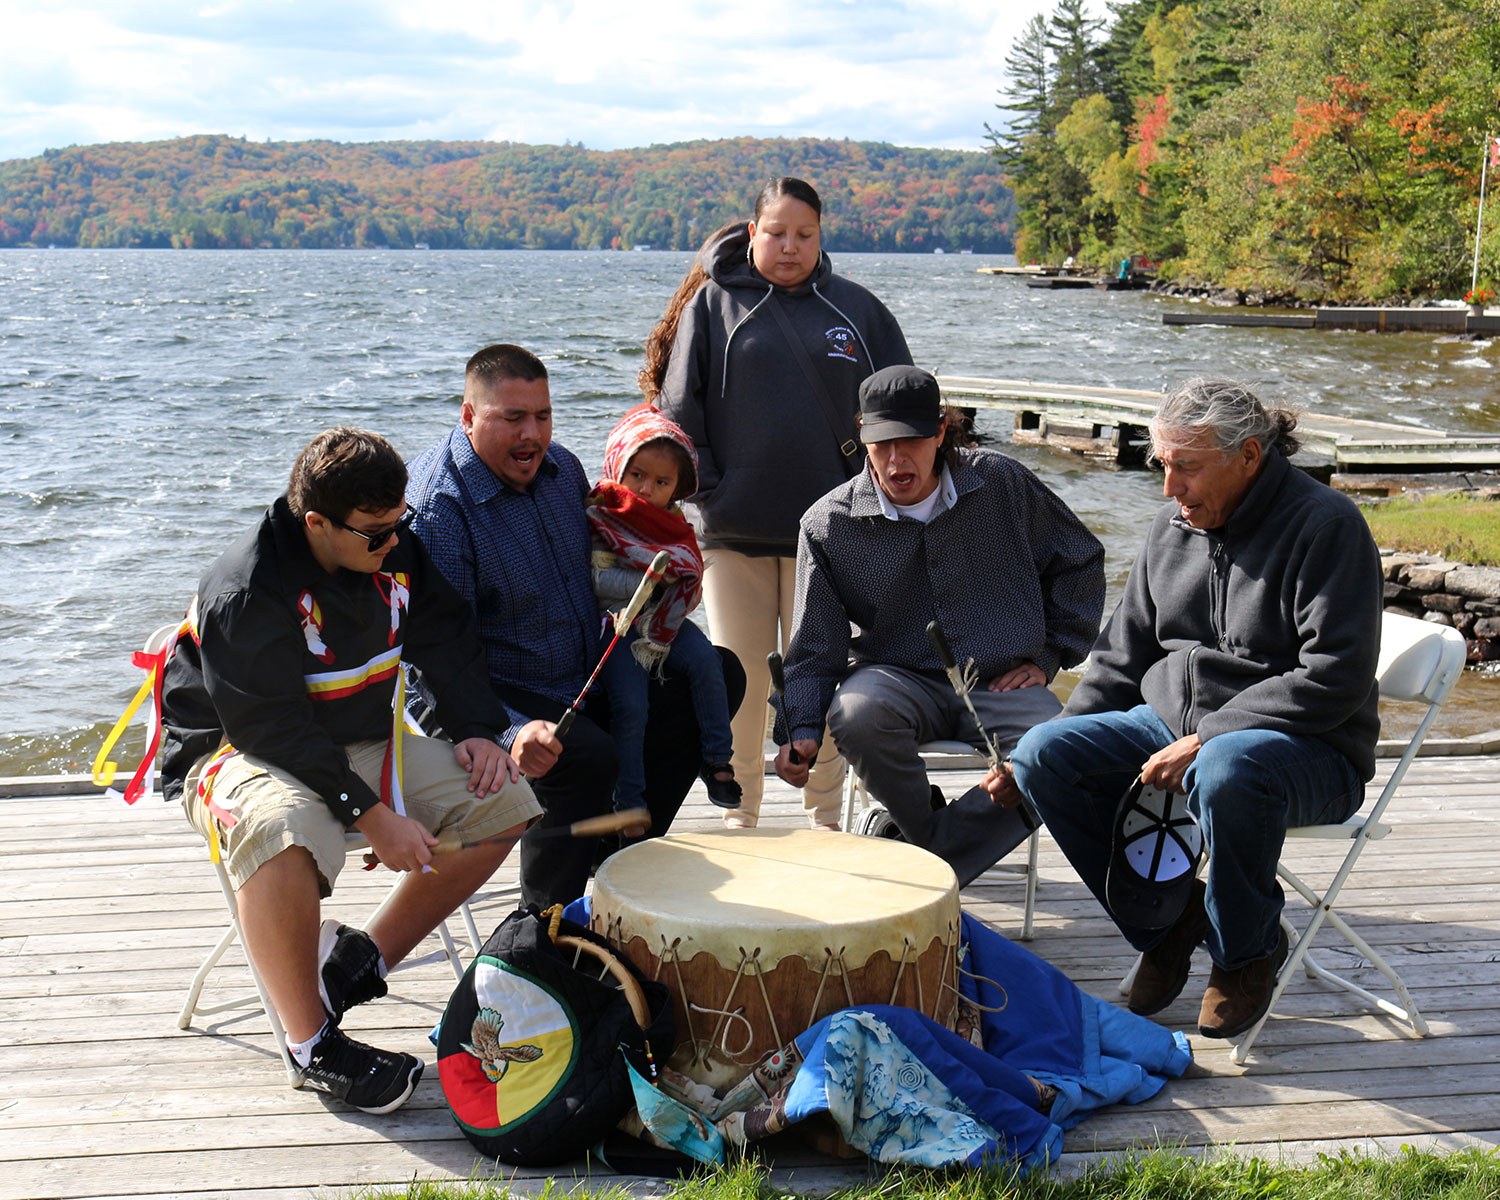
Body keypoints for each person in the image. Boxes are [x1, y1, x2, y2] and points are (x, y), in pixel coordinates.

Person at [160, 428, 540, 1114]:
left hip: (359, 736)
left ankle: (356, 963)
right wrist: (373, 813)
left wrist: (480, 731)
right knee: (284, 824)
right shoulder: (244, 589)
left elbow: (446, 639)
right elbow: (272, 729)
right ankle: (312, 1046)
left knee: (504, 798)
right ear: (316, 524)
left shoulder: (395, 549)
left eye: (401, 524)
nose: (393, 542)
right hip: (240, 751)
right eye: (375, 532)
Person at [1002, 377, 1383, 1040]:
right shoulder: (1172, 525)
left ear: (1249, 457)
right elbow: (1121, 658)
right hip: (1179, 730)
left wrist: (1208, 735)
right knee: (1042, 755)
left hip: (1311, 747)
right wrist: (1037, 752)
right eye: (1163, 465)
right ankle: (1171, 923)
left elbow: (1335, 677)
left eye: (1188, 467)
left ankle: (1246, 952)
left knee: (1228, 768)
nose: (1170, 488)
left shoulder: (1328, 527)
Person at [406, 344, 745, 909]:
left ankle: (618, 856)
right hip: (494, 696)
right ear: (467, 416)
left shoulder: (563, 472)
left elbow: (613, 554)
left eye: (542, 415)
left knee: (719, 673)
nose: (532, 435)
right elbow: (433, 668)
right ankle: (542, 925)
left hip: (584, 672)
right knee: (582, 753)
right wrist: (511, 733)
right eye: (512, 418)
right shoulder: (440, 509)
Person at [658, 177, 913, 830]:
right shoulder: (711, 307)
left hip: (832, 539)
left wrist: (886, 497)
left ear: (822, 236)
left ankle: (825, 817)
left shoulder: (856, 309)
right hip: (732, 536)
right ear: (752, 234)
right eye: (776, 234)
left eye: (805, 235)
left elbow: (903, 407)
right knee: (737, 686)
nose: (790, 247)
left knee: (819, 682)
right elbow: (679, 412)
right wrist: (709, 488)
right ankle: (740, 813)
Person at [774, 365, 1105, 863]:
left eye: (911, 440)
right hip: (893, 680)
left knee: (1059, 752)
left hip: (1001, 682)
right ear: (862, 438)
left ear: (941, 432)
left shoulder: (1002, 482)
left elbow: (1079, 558)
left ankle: (929, 854)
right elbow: (816, 646)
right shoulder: (826, 524)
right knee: (855, 713)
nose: (896, 458)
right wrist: (799, 731)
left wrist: (1050, 655)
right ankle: (938, 837)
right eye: (882, 443)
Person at [587, 405, 742, 814]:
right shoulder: (603, 514)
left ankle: (717, 760)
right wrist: (652, 585)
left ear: (677, 487)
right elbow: (597, 581)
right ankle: (630, 800)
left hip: (664, 624)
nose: (646, 489)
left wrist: (678, 584)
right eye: (636, 475)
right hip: (617, 626)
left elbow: (689, 579)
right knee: (631, 705)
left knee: (709, 664)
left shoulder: (674, 523)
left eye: (661, 481)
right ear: (617, 467)